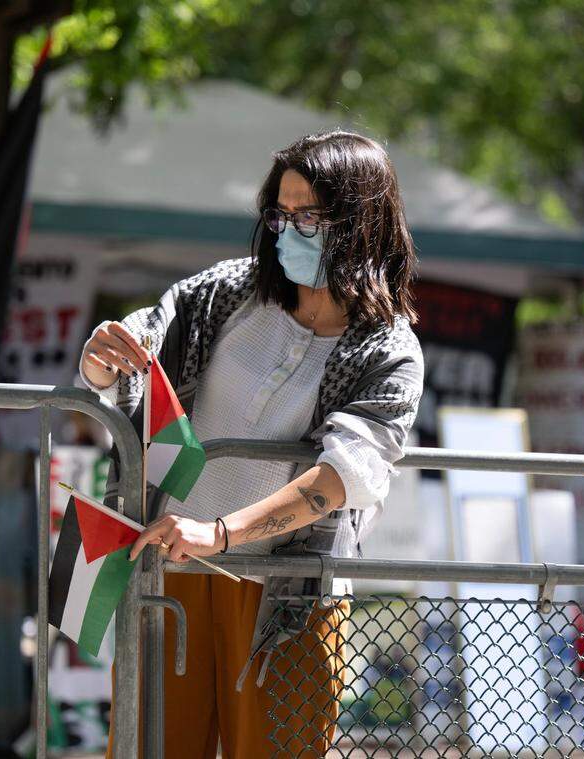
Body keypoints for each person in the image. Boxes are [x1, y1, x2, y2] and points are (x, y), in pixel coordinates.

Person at [80, 130, 424, 757]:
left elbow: (341, 477)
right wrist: (102, 359)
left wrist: (222, 534)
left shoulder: (390, 351)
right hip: (170, 564)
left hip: (289, 593)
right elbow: (134, 350)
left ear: (361, 222)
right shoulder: (224, 292)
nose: (288, 230)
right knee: (145, 747)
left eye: (309, 216)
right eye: (280, 213)